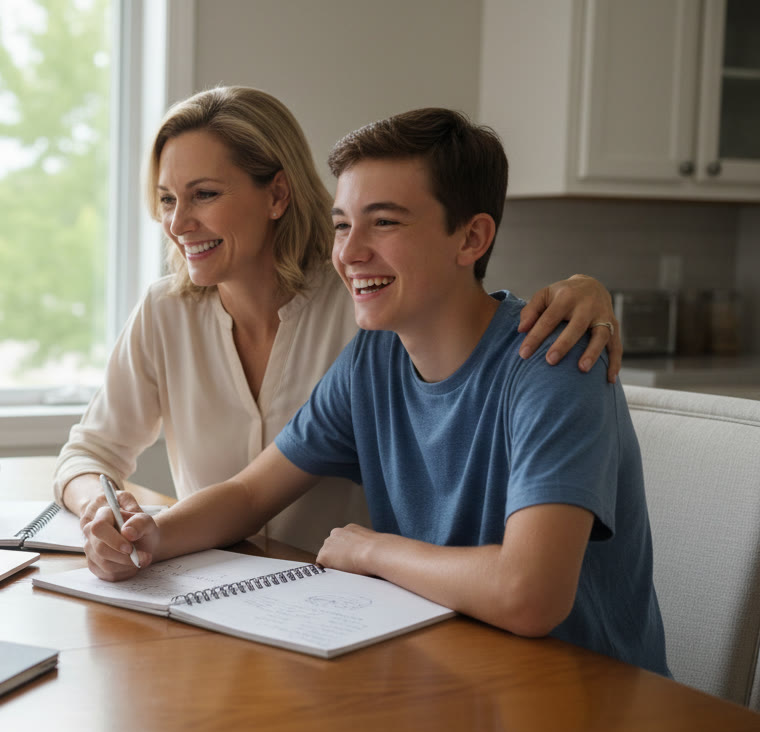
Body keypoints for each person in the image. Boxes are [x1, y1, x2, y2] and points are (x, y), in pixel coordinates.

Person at [83, 106, 669, 675]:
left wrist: (370, 551)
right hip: (452, 673)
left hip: (582, 700)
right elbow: (248, 494)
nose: (350, 251)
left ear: (471, 239)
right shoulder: (375, 357)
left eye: (384, 222)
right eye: (342, 224)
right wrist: (150, 537)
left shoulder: (557, 362)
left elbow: (529, 595)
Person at [54, 86, 624, 552]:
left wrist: (586, 289)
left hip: (376, 607)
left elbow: (530, 593)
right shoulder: (366, 349)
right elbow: (245, 495)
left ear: (277, 194)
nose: (178, 224)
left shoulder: (374, 313)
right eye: (167, 201)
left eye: (203, 194)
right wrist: (137, 533)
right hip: (307, 605)